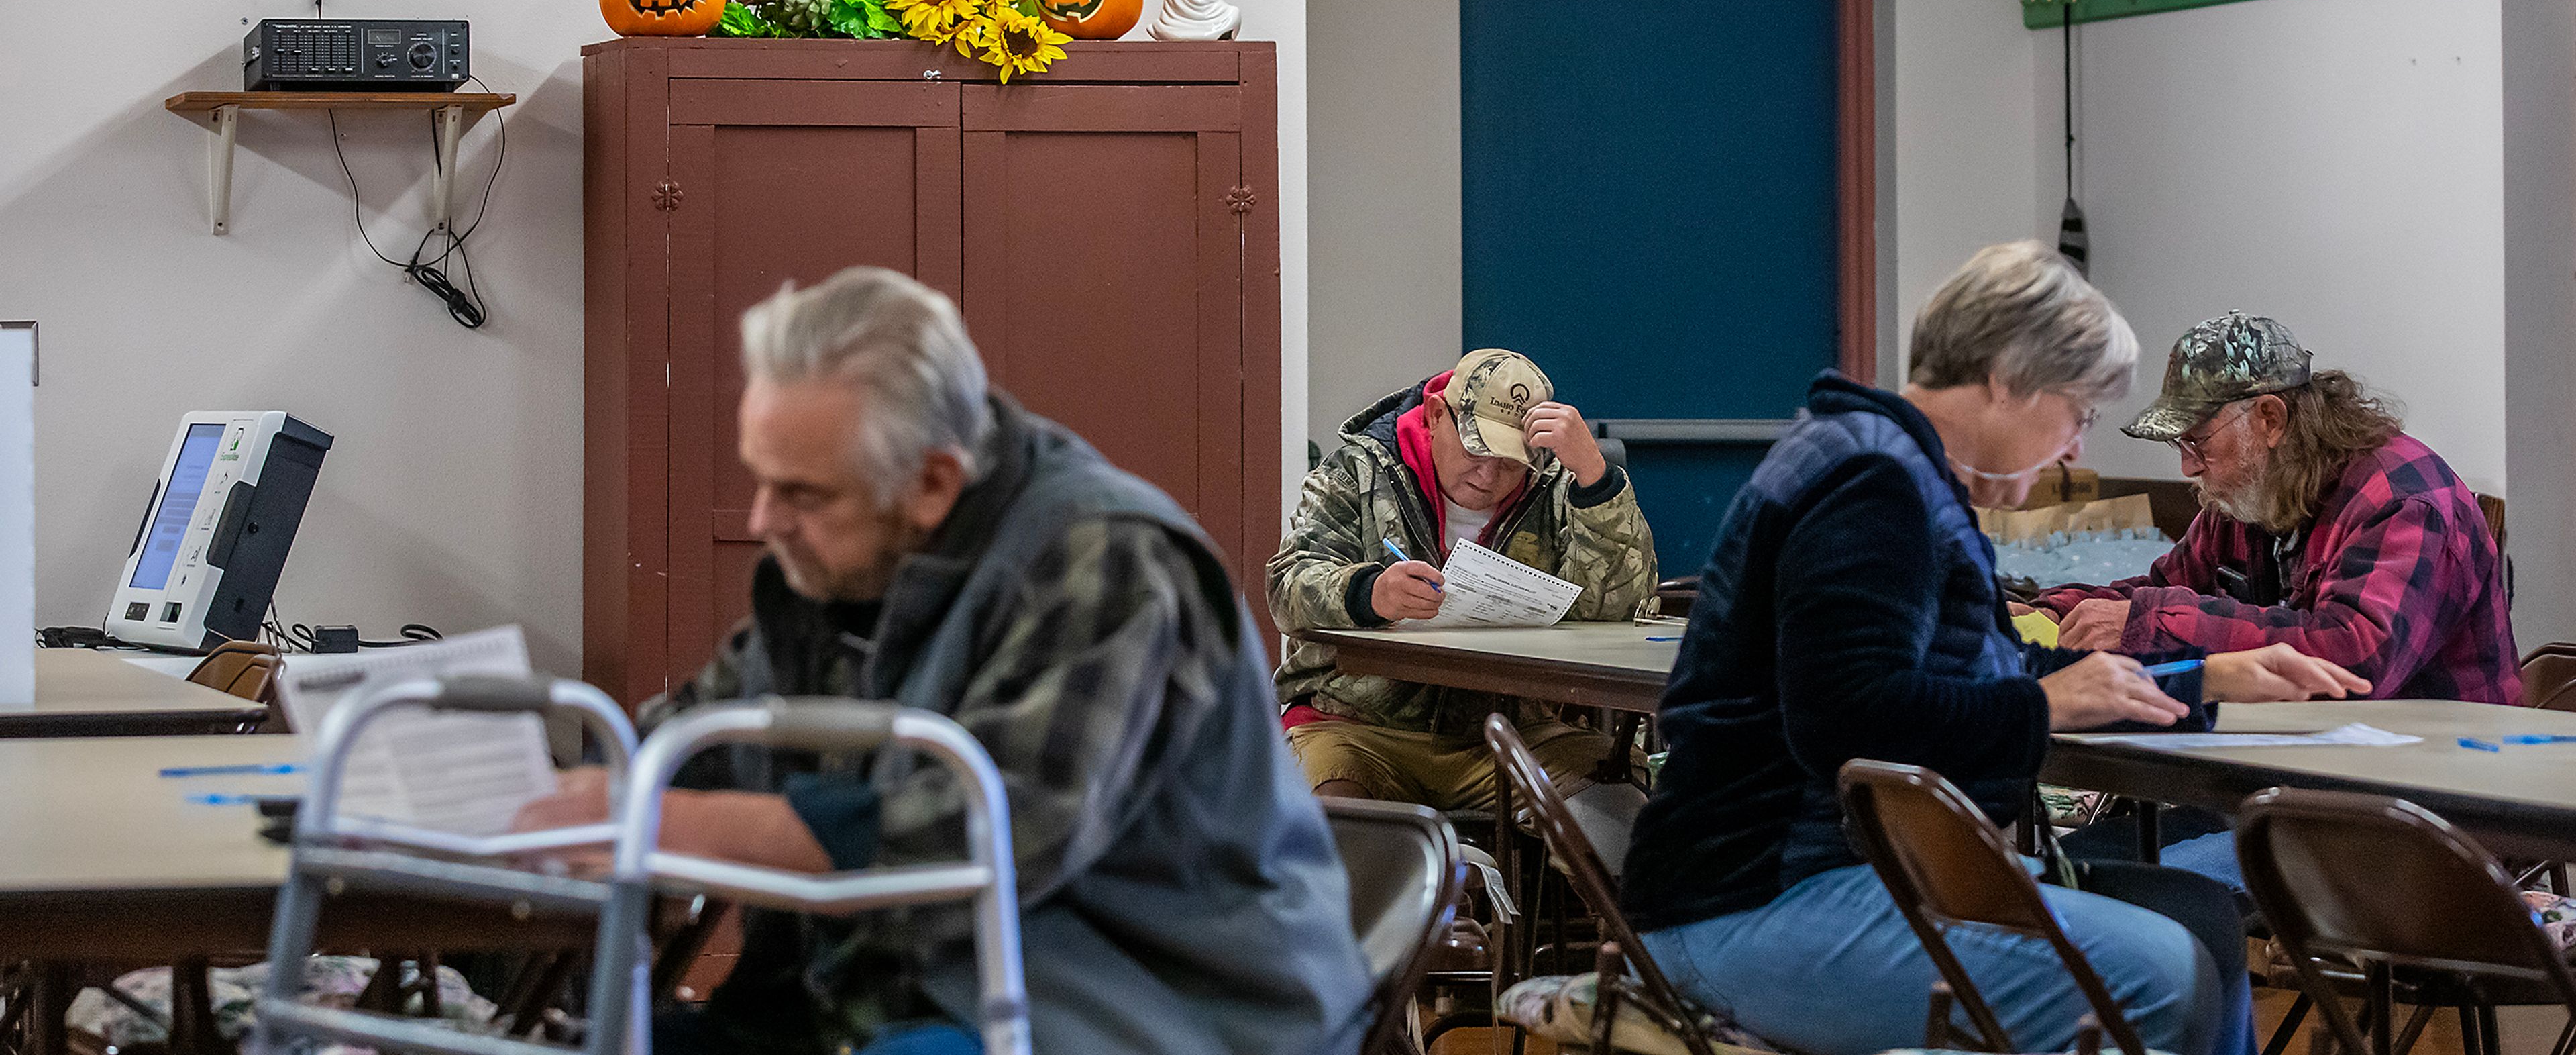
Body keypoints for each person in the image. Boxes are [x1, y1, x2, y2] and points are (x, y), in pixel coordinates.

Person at [515, 268, 1371, 1055]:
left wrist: (659, 822)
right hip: (914, 991)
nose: (765, 518)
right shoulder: (841, 559)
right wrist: (510, 796)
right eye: (763, 479)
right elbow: (693, 739)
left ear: (931, 482)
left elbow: (990, 828)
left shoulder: (1108, 557)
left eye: (804, 492)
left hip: (1154, 1009)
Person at [1621, 242, 2363, 1055]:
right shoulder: (1872, 484)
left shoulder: (1891, 468)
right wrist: (2044, 705)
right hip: (1752, 894)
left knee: (2201, 922)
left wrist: (2205, 677)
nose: (2076, 448)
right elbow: (1844, 715)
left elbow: (2004, 674)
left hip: (1812, 878)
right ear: (2009, 379)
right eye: (2077, 411)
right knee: (2163, 975)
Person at [2030, 311, 2519, 703]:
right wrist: (2051, 614)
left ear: (2269, 418)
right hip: (2301, 771)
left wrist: (2150, 623)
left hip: (2431, 792)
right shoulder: (2249, 493)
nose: (2186, 468)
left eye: (2197, 441)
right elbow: (2164, 588)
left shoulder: (2404, 500)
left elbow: (2351, 660)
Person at [1268, 348, 1656, 808]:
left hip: (1510, 733)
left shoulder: (1556, 485)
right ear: (1435, 415)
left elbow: (1620, 609)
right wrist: (1370, 593)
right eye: (1477, 447)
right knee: (1339, 826)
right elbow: (1287, 585)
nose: (1489, 473)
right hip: (1357, 725)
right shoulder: (1359, 469)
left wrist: (1595, 480)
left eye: (1511, 460)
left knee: (1618, 799)